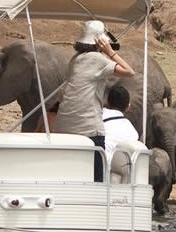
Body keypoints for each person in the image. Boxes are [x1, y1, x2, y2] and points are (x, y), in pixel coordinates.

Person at [53, 20, 134, 183]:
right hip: (88, 128)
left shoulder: (75, 59)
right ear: (101, 41)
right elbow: (129, 71)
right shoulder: (98, 59)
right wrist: (110, 51)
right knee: (97, 176)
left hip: (63, 126)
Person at [101, 83, 139, 165]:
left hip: (97, 170)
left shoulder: (96, 120)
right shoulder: (133, 133)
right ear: (128, 107)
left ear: (107, 102)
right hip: (124, 174)